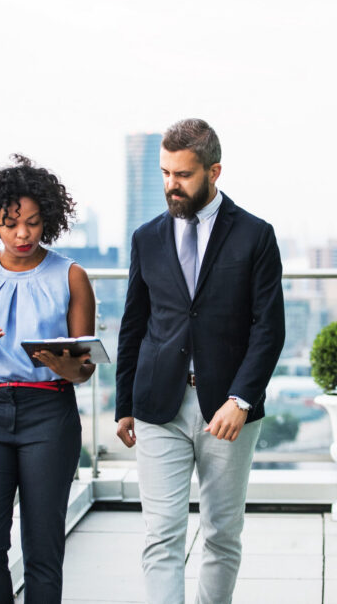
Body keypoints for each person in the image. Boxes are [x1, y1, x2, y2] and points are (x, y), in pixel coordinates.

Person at [115, 118, 285, 604]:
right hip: (157, 405)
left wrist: (242, 399)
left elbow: (269, 328)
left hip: (228, 409)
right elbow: (134, 324)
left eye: (183, 175)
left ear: (214, 171)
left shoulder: (255, 235)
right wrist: (123, 403)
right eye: (165, 173)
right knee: (161, 535)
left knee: (221, 534)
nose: (172, 185)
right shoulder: (146, 237)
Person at [0, 155, 96, 603]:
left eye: (32, 223)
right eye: (11, 224)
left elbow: (84, 367)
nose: (22, 234)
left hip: (48, 413)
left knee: (43, 548)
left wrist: (66, 367)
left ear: (47, 220)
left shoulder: (71, 276)